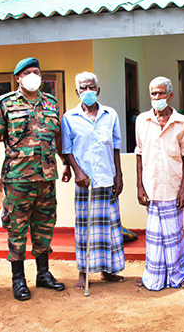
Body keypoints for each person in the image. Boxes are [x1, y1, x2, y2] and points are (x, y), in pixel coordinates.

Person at [0, 57, 69, 301]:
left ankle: (43, 274)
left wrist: (65, 162)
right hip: (17, 179)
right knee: (17, 228)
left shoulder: (51, 102)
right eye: (28, 72)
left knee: (44, 227)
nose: (33, 75)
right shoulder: (5, 102)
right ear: (18, 78)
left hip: (46, 179)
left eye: (37, 71)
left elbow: (57, 137)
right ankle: (18, 279)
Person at [62, 72, 126, 290]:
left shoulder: (111, 114)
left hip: (107, 177)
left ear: (97, 90)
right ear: (77, 92)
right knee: (85, 227)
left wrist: (119, 174)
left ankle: (109, 271)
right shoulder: (70, 118)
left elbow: (116, 146)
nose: (87, 91)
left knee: (109, 225)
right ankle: (83, 272)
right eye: (83, 88)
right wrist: (77, 171)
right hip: (85, 181)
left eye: (91, 87)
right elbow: (67, 149)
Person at [134, 76, 184, 291]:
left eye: (161, 93)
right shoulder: (142, 120)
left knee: (174, 236)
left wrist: (183, 189)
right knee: (154, 237)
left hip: (173, 187)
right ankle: (154, 277)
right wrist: (139, 186)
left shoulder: (181, 121)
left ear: (170, 95)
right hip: (151, 187)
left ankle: (178, 276)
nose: (157, 98)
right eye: (153, 94)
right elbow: (139, 154)